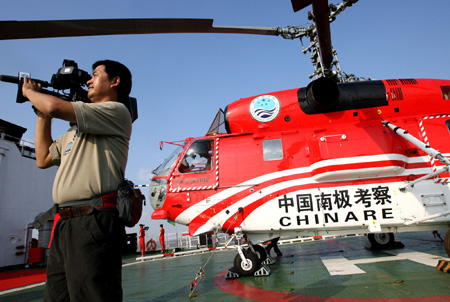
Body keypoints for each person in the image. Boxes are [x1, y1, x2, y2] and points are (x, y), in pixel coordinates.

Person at [23, 60, 133, 302]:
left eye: (95, 75)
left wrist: (31, 92)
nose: (88, 81)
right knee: (57, 297)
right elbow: (42, 158)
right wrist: (42, 116)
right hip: (65, 223)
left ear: (115, 82)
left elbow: (53, 106)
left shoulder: (116, 111)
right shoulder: (75, 130)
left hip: (93, 220)